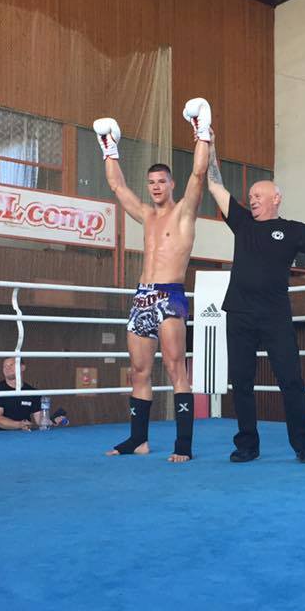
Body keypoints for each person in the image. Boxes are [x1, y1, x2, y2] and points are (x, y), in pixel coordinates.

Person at [205, 130, 305, 463]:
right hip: (239, 312)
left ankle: (303, 445)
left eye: (258, 195)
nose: (252, 199)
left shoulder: (292, 230)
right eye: (250, 195)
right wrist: (210, 145)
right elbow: (216, 186)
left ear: (276, 198)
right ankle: (247, 445)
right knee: (241, 381)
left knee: (291, 379)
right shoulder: (242, 222)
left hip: (275, 315)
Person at [94, 98, 209, 462]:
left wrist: (202, 132)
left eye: (162, 181)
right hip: (142, 297)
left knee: (176, 369)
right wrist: (109, 147)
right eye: (152, 182)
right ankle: (138, 439)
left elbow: (199, 174)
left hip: (170, 296)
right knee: (139, 371)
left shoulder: (184, 212)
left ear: (171, 183)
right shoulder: (145, 214)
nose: (156, 187)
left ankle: (183, 444)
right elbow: (117, 186)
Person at [0, 358, 42, 431]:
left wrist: (53, 421)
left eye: (11, 365)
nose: (7, 368)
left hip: (23, 435)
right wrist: (20, 425)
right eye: (5, 366)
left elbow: (40, 421)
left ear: (22, 367)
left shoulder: (32, 392)